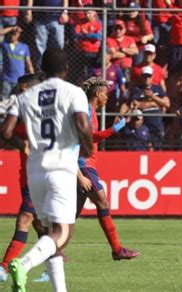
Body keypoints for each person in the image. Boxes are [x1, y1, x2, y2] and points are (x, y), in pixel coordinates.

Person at [0, 48, 93, 292]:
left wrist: (23, 145)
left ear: (42, 68)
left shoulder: (25, 96)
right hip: (61, 168)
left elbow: (6, 132)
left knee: (49, 235)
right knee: (63, 233)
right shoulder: (74, 92)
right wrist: (89, 145)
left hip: (34, 172)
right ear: (66, 69)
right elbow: (83, 125)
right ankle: (23, 263)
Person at [75, 77, 140, 261]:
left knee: (70, 215)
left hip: (87, 164)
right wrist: (114, 129)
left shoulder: (91, 111)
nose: (107, 98)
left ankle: (52, 249)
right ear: (97, 94)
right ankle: (117, 249)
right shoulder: (86, 111)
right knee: (102, 203)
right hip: (83, 165)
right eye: (105, 94)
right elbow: (90, 137)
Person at [0, 74, 46, 283]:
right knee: (40, 225)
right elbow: (6, 133)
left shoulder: (47, 113)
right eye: (18, 89)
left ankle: (3, 269)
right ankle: (53, 263)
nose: (19, 93)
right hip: (26, 175)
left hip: (42, 174)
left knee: (25, 219)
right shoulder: (22, 110)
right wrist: (21, 144)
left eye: (23, 89)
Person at [1, 27, 34, 101]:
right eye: (11, 34)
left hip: (20, 81)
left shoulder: (24, 47)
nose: (12, 36)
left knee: (19, 101)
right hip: (7, 79)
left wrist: (32, 76)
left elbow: (29, 63)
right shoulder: (5, 45)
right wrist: (11, 28)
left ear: (19, 35)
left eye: (15, 34)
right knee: (4, 101)